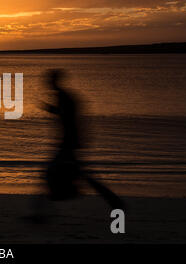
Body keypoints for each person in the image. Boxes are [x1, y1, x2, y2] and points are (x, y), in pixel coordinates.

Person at [35, 70, 124, 218]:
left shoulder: (64, 96)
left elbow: (68, 117)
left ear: (54, 81)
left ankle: (41, 212)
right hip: (70, 141)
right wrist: (52, 109)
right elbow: (69, 115)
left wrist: (52, 111)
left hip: (68, 143)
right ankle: (113, 201)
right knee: (82, 175)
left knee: (50, 174)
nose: (47, 83)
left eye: (49, 80)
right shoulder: (65, 96)